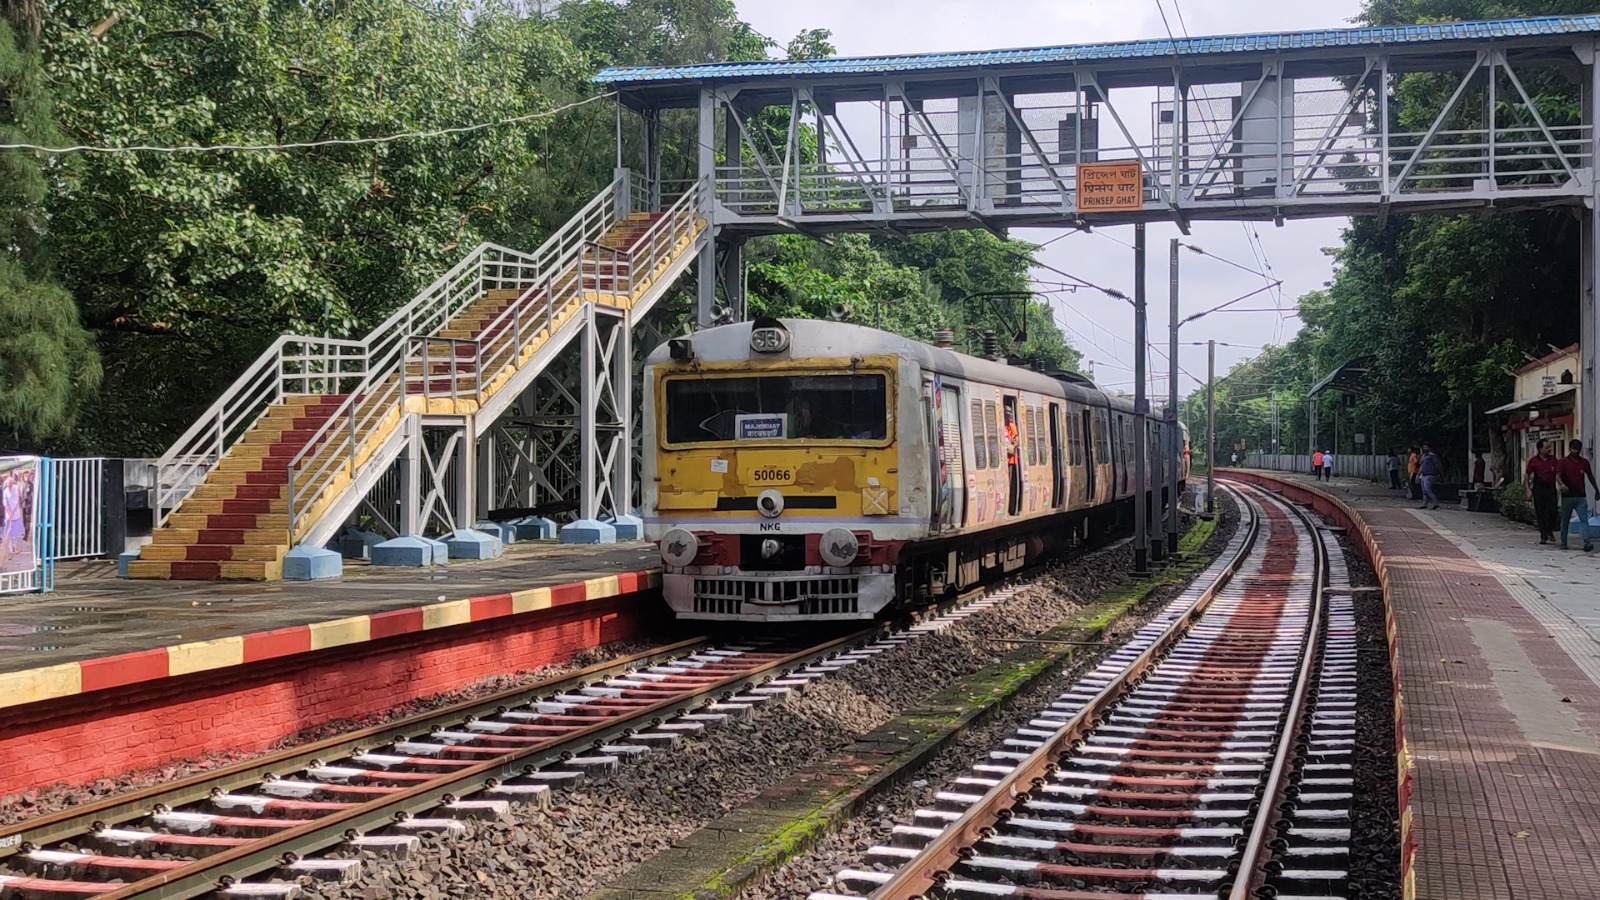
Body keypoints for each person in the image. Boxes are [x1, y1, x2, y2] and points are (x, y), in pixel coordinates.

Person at [1556, 439, 1598, 552]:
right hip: (1567, 496)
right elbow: (1558, 475)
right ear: (1570, 449)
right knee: (1565, 520)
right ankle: (1564, 542)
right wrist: (1562, 484)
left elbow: (1590, 476)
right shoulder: (1563, 462)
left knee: (1584, 520)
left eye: (1578, 449)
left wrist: (1596, 490)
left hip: (1580, 496)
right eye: (1574, 449)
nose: (1576, 452)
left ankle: (1586, 543)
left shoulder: (1584, 462)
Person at [1525, 439, 1561, 545]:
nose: (1549, 449)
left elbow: (1559, 473)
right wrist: (1528, 489)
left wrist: (1562, 485)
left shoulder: (1553, 460)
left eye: (1550, 447)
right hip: (1539, 488)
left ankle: (1550, 530)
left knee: (1553, 511)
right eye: (1547, 448)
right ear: (1540, 449)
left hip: (1550, 488)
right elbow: (1527, 475)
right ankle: (1543, 535)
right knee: (1540, 512)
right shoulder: (1534, 461)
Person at [1418, 443, 1442, 510]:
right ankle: (1424, 504)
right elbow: (1421, 464)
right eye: (1424, 447)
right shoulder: (1423, 456)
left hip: (1430, 474)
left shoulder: (1432, 456)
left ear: (1429, 448)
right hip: (1423, 474)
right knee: (1424, 491)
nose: (1425, 449)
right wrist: (1419, 472)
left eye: (1426, 447)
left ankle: (1436, 504)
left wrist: (1437, 473)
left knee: (1427, 490)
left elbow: (1437, 464)